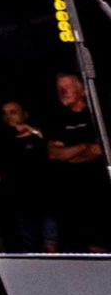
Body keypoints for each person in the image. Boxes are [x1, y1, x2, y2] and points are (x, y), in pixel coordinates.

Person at [0, 98, 55, 253]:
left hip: (45, 198)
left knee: (51, 244)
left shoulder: (37, 135)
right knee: (29, 247)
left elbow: (53, 147)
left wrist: (32, 131)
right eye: (5, 113)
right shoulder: (0, 138)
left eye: (13, 112)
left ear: (24, 114)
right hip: (17, 200)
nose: (9, 116)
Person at [46, 72, 109, 252]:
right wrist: (83, 147)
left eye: (67, 87)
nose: (63, 92)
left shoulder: (96, 114)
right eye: (59, 89)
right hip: (74, 194)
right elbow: (54, 153)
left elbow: (101, 150)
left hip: (101, 188)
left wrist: (72, 153)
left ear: (81, 88)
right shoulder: (58, 120)